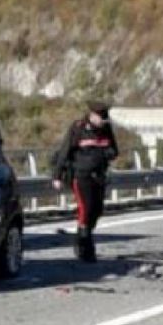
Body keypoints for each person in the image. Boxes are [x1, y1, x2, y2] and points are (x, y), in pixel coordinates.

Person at [52, 101, 119, 262]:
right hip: (81, 175)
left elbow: (115, 151)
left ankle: (82, 236)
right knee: (86, 209)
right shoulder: (78, 128)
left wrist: (107, 153)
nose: (102, 122)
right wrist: (57, 176)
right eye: (100, 118)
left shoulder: (106, 130)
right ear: (92, 115)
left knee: (97, 210)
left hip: (99, 176)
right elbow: (64, 151)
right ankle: (85, 248)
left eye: (104, 119)